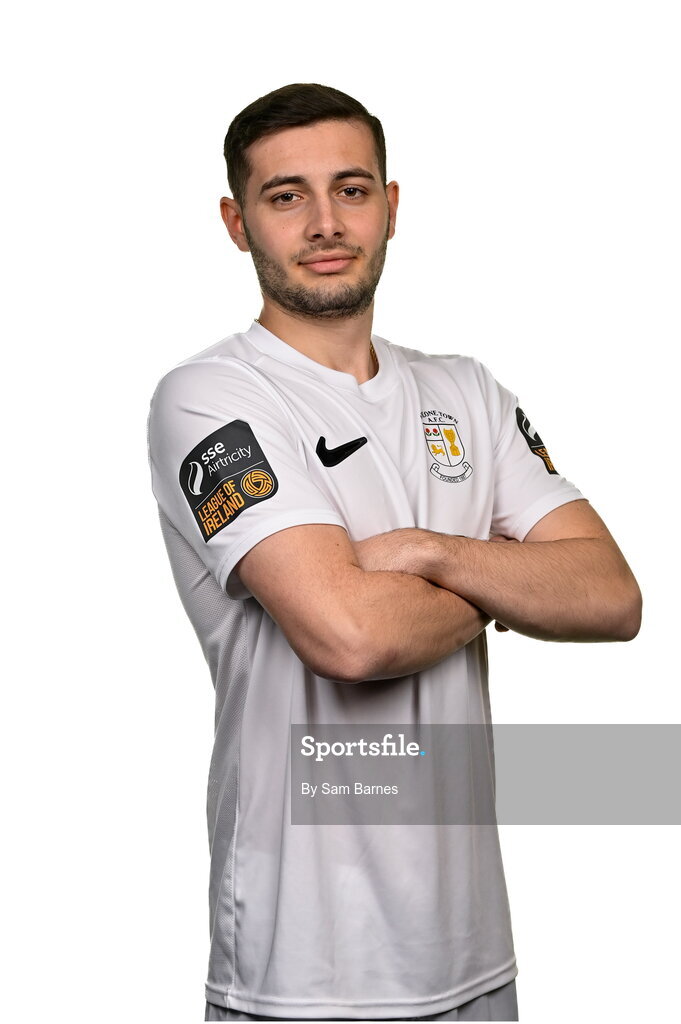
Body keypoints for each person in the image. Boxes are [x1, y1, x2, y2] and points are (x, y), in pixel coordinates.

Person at [146, 83, 642, 1022]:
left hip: (473, 959)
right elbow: (351, 638)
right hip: (304, 975)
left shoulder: (467, 391)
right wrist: (510, 580)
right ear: (236, 221)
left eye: (352, 189)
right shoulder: (210, 399)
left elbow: (611, 598)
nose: (325, 222)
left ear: (392, 205)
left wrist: (421, 552)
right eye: (285, 196)